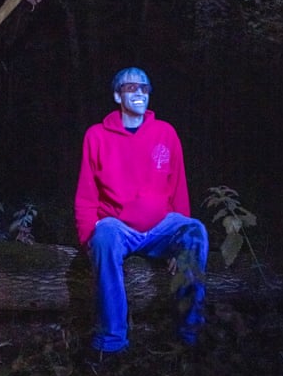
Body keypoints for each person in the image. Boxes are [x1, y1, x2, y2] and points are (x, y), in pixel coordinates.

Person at [74, 67, 209, 355]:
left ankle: (190, 335)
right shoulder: (96, 136)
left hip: (161, 226)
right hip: (119, 227)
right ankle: (112, 341)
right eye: (130, 87)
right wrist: (88, 239)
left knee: (195, 230)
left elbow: (178, 187)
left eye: (144, 88)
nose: (138, 93)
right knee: (104, 235)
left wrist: (178, 246)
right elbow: (86, 194)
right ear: (116, 95)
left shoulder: (166, 132)